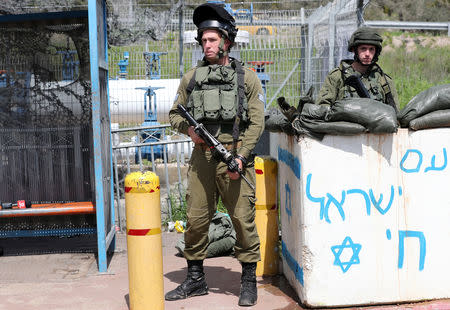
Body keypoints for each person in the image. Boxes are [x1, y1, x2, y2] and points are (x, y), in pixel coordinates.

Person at [166, 3, 265, 307]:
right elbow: (174, 114)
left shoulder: (245, 78)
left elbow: (257, 122)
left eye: (211, 39)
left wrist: (241, 158)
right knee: (195, 219)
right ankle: (196, 279)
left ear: (226, 41)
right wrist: (189, 131)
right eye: (203, 40)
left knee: (241, 219)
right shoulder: (191, 78)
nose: (206, 45)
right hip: (202, 159)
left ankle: (248, 281)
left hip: (234, 157)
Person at [316, 27, 399, 113]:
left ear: (376, 52)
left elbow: (394, 114)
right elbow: (322, 108)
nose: (367, 54)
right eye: (363, 48)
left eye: (371, 49)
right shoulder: (337, 77)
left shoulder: (384, 81)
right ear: (354, 50)